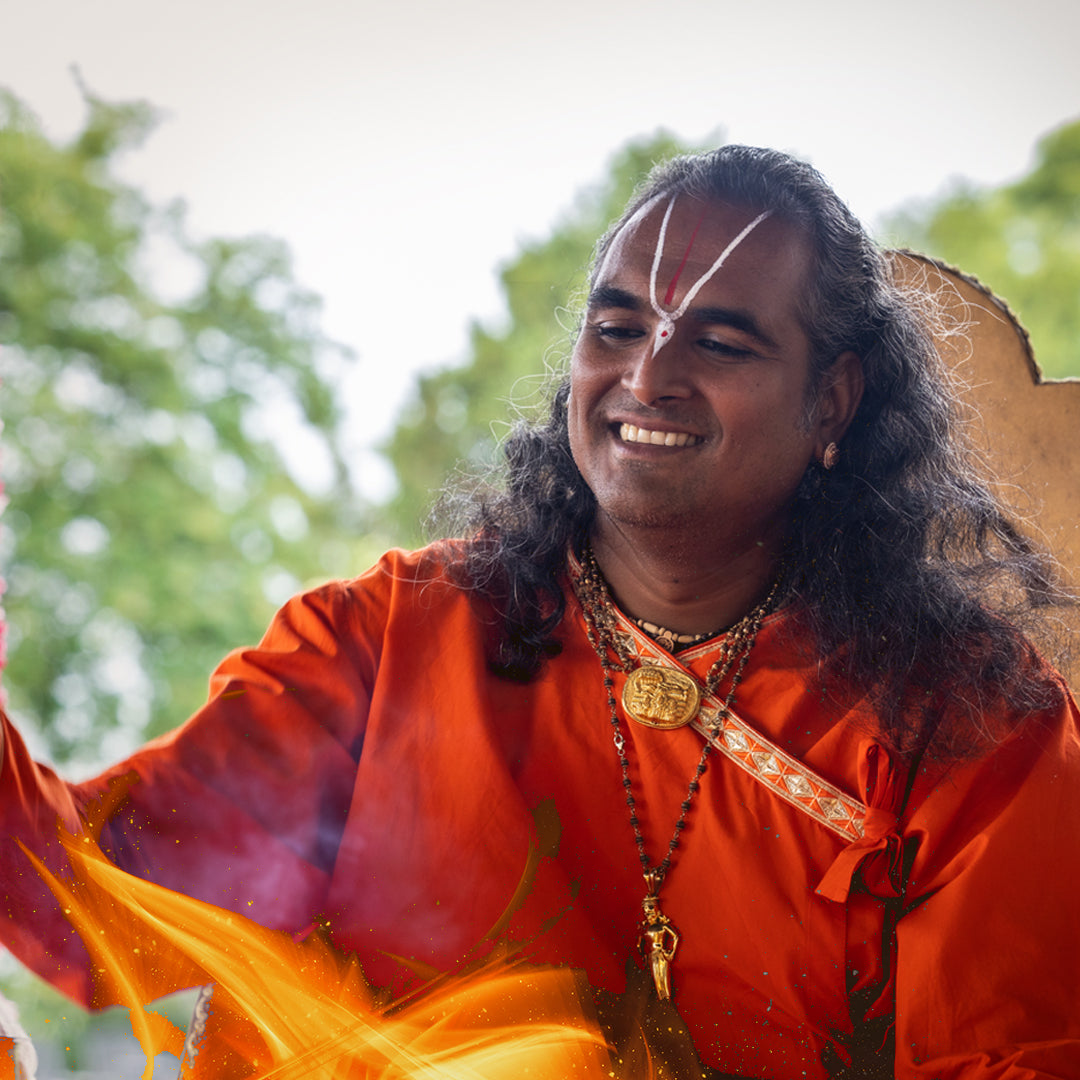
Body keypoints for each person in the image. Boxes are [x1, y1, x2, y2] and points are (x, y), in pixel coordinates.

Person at [2, 145, 1079, 1079]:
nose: (647, 375)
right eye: (617, 327)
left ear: (833, 401)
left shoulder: (968, 726)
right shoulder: (385, 649)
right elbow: (82, 900)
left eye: (720, 342)